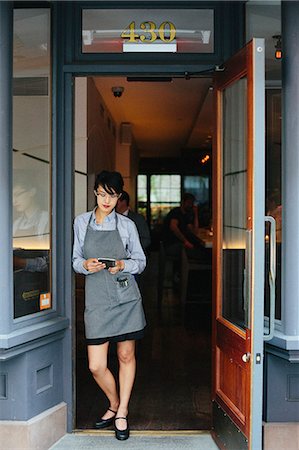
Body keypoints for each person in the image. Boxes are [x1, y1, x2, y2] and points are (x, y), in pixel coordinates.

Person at [72, 170, 146, 441]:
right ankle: (113, 403)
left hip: (125, 298)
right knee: (96, 365)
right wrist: (85, 266)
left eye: (112, 196)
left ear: (119, 197)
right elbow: (75, 260)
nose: (106, 200)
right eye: (102, 194)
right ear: (95, 192)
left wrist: (124, 265)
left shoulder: (127, 226)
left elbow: (141, 262)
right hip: (97, 299)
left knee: (126, 356)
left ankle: (122, 411)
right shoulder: (81, 222)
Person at [162, 192, 199, 258]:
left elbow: (194, 232)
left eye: (192, 203)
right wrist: (185, 241)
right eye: (188, 203)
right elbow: (173, 227)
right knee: (197, 252)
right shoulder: (176, 212)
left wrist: (196, 214)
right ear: (182, 202)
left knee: (198, 247)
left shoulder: (186, 215)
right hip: (171, 244)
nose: (190, 205)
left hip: (180, 243)